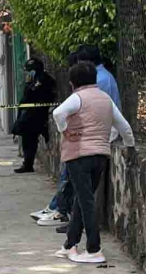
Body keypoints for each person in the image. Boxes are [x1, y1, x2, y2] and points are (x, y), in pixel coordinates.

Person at [53, 62, 135, 263]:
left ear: (72, 83)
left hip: (79, 156)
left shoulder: (77, 98)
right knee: (84, 200)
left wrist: (64, 130)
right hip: (101, 155)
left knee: (86, 202)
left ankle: (94, 249)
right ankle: (69, 244)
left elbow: (57, 113)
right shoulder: (105, 99)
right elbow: (124, 126)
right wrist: (129, 146)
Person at [34, 45, 122, 228]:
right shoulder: (101, 77)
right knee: (78, 184)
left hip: (90, 140)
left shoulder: (97, 80)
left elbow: (62, 113)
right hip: (96, 139)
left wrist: (65, 131)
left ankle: (66, 215)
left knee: (78, 184)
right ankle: (64, 213)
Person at [11, 58, 56, 173]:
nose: (27, 74)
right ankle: (28, 163)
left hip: (37, 115)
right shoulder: (33, 80)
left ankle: (28, 164)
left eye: (29, 71)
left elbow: (33, 95)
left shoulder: (44, 80)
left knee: (30, 139)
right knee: (28, 140)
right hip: (30, 114)